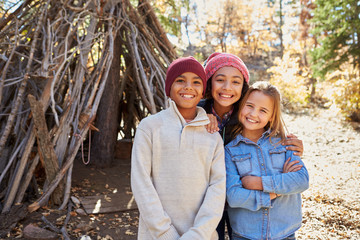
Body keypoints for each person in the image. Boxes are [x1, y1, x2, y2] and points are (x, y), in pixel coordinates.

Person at [200, 52, 304, 240]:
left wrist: (293, 147)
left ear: (243, 87)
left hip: (242, 208)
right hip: (206, 194)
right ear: (209, 82)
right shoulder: (197, 110)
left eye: (236, 82)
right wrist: (200, 116)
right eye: (220, 79)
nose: (227, 87)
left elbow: (268, 123)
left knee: (238, 231)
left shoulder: (245, 109)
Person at [131, 56, 226, 240]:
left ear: (203, 91)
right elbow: (141, 183)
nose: (188, 87)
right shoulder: (150, 127)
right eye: (180, 80)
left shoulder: (212, 134)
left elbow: (218, 188)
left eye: (196, 82)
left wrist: (198, 234)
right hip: (156, 235)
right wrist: (165, 233)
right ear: (169, 88)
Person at [225, 81, 309, 240]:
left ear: (272, 116)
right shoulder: (230, 151)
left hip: (284, 233)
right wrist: (277, 189)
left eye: (263, 110)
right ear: (241, 106)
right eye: (249, 106)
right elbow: (234, 196)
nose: (253, 114)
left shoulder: (284, 143)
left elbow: (301, 180)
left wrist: (258, 183)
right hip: (245, 234)